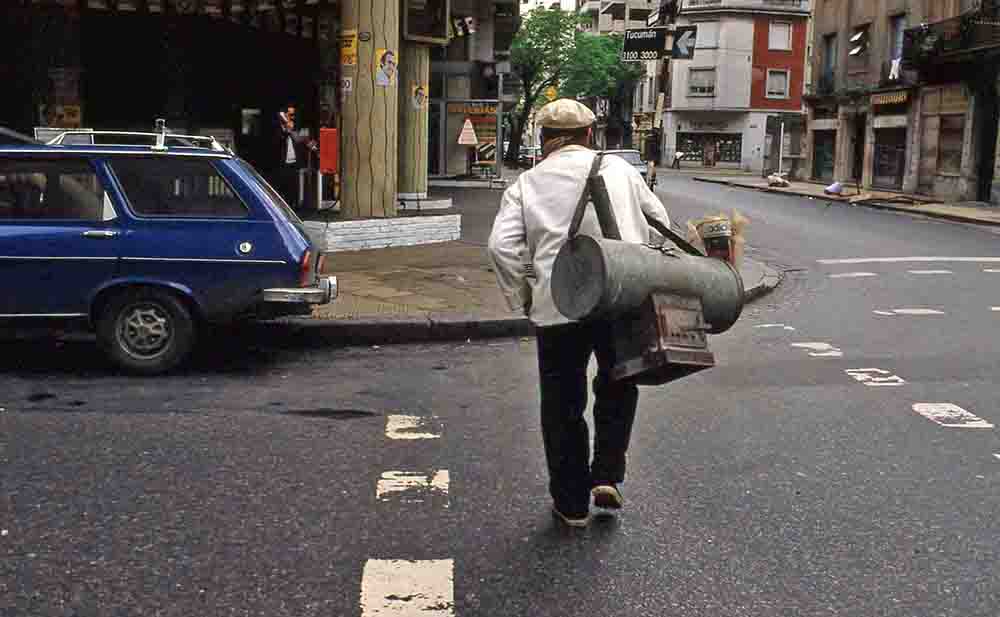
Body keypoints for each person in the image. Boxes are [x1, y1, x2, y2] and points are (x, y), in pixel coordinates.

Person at [487, 99, 672, 528]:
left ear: (545, 140)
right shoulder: (623, 171)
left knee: (562, 404)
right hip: (622, 297)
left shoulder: (527, 183)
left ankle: (570, 504)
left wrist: (524, 298)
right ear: (590, 134)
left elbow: (501, 248)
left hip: (559, 304)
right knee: (619, 383)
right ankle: (606, 473)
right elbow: (659, 222)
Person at [276, 105, 316, 207]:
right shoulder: (279, 128)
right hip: (283, 162)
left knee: (296, 185)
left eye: (293, 115)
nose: (291, 117)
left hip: (296, 162)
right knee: (284, 184)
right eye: (289, 115)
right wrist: (286, 128)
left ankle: (297, 205)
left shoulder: (300, 128)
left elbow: (300, 139)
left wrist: (291, 130)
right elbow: (278, 140)